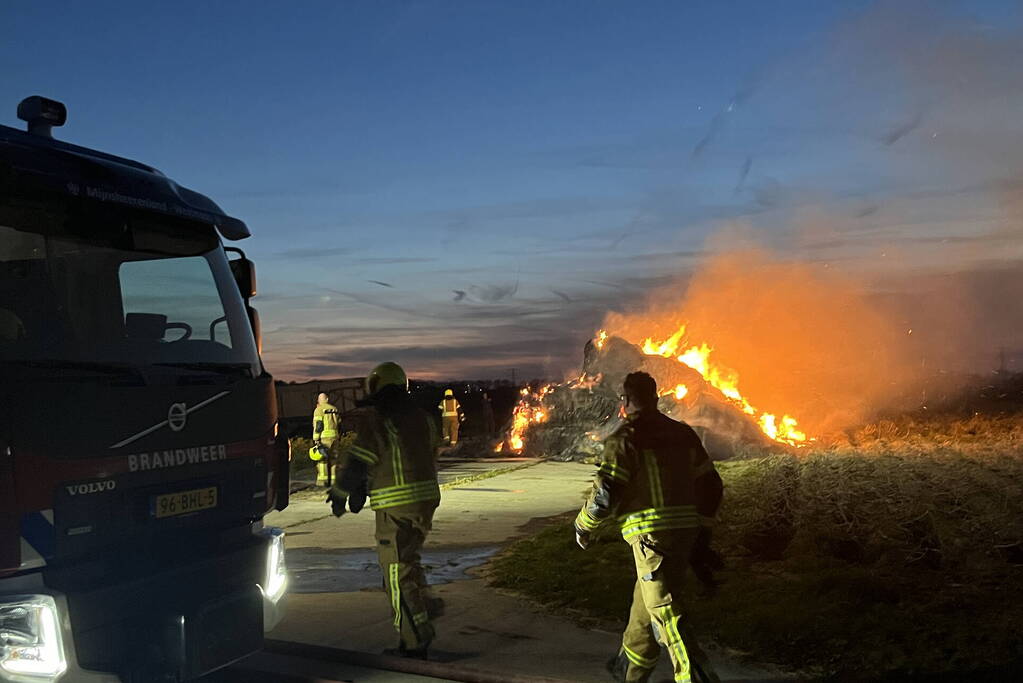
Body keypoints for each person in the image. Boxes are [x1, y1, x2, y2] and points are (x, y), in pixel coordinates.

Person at [575, 372, 723, 683]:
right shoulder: (683, 434)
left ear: (626, 401)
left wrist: (583, 526)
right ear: (656, 398)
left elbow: (605, 495)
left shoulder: (624, 438)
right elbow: (711, 484)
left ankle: (696, 678)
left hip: (651, 541)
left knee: (666, 615)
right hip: (685, 536)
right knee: (643, 619)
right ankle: (630, 674)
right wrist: (703, 532)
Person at [327, 362, 442, 659]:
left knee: (395, 574)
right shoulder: (424, 418)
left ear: (377, 386)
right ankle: (422, 613)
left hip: (396, 507)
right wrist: (366, 487)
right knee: (408, 563)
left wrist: (341, 494)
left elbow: (359, 461)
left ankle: (414, 642)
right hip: (426, 503)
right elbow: (411, 455)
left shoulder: (379, 420)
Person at [312, 392, 339, 485]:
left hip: (324, 438)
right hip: (335, 437)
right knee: (333, 458)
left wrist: (316, 438)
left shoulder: (318, 410)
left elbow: (318, 425)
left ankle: (323, 481)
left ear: (319, 400)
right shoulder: (334, 409)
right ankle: (333, 480)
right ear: (327, 399)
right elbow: (339, 422)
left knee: (322, 459)